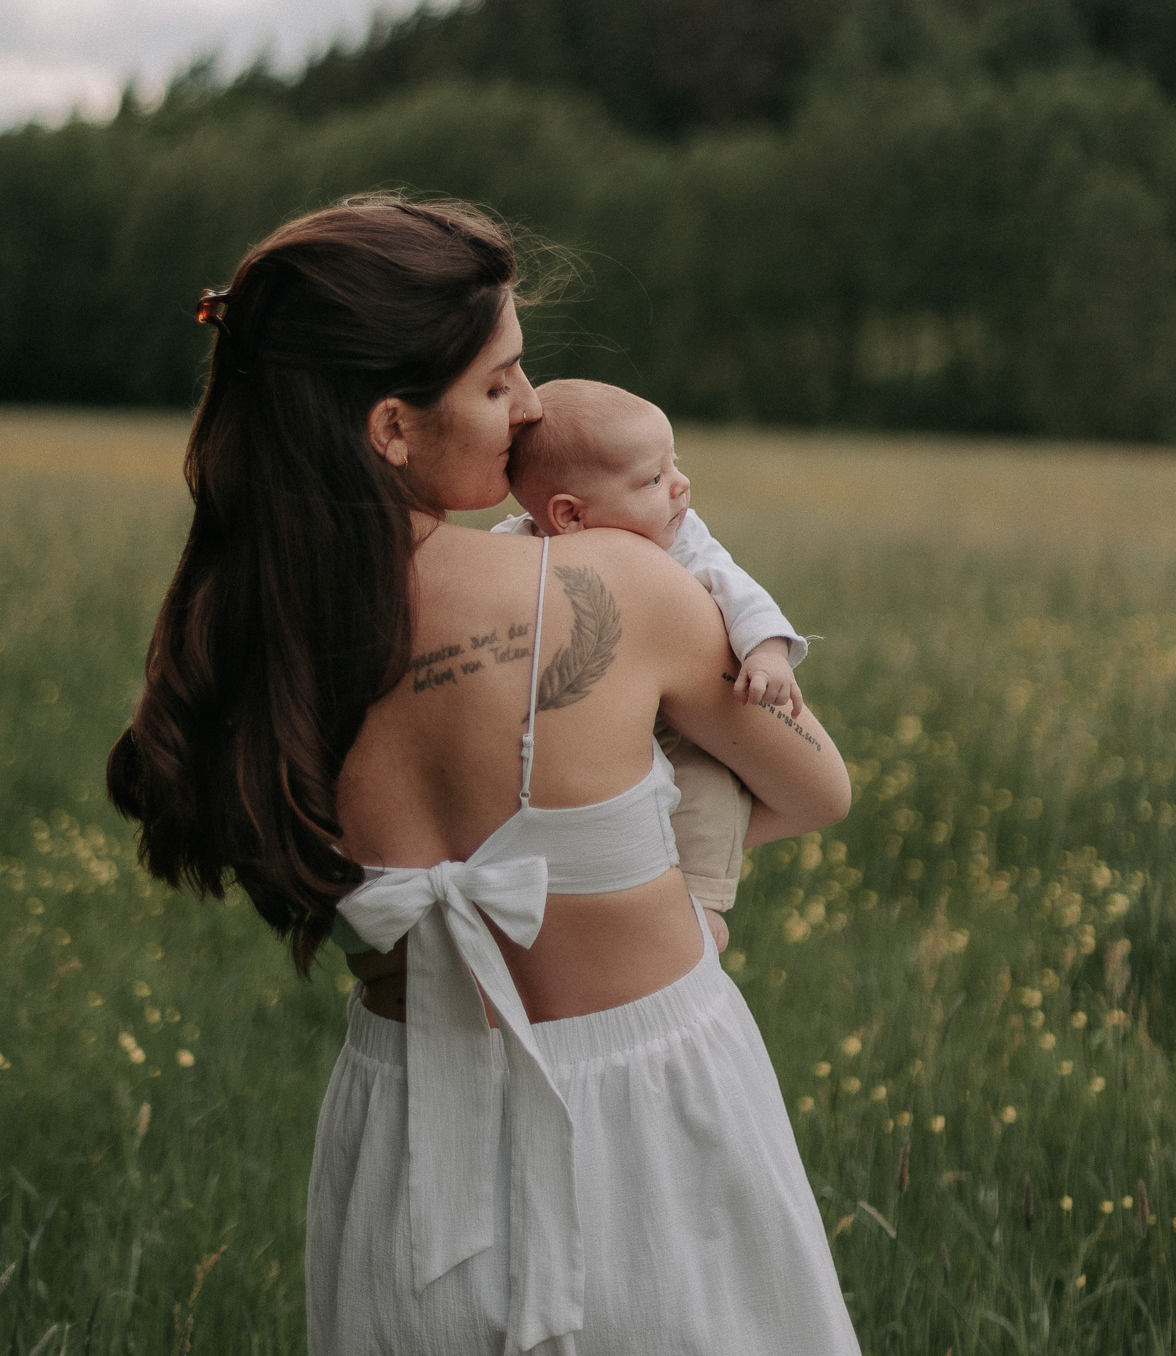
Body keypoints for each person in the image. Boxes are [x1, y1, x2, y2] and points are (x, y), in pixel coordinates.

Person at [106, 196, 860, 1356]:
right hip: (652, 1121)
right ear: (393, 428)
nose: (533, 407)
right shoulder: (615, 583)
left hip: (406, 1140)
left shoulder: (257, 646)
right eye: (500, 381)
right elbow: (816, 790)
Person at [493, 376, 808, 946]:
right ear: (569, 516)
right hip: (586, 730)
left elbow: (739, 593)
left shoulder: (681, 543)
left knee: (708, 787)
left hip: (677, 724)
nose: (681, 486)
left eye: (674, 463)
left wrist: (766, 653)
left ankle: (702, 902)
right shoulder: (514, 548)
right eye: (654, 478)